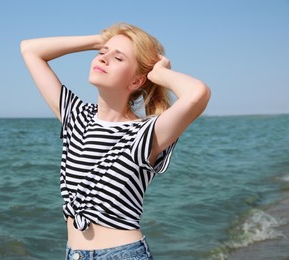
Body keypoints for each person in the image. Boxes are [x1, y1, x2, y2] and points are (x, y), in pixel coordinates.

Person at [20, 23, 210, 260]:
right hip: (73, 253)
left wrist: (159, 74)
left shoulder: (144, 133)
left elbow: (197, 94)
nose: (103, 59)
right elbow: (30, 49)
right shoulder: (77, 116)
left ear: (136, 82)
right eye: (101, 54)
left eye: (118, 58)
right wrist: (100, 40)